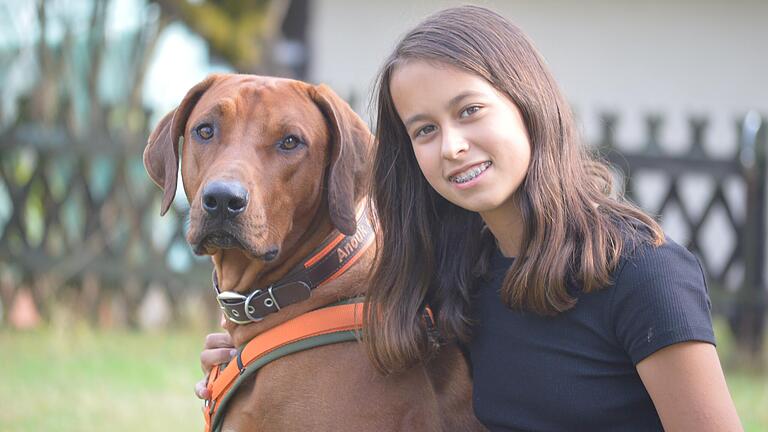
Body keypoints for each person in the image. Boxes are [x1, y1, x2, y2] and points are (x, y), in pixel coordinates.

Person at [197, 5, 742, 431]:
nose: (453, 146)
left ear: (527, 104)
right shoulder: (450, 278)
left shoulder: (644, 273)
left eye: (469, 111)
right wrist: (251, 341)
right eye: (424, 129)